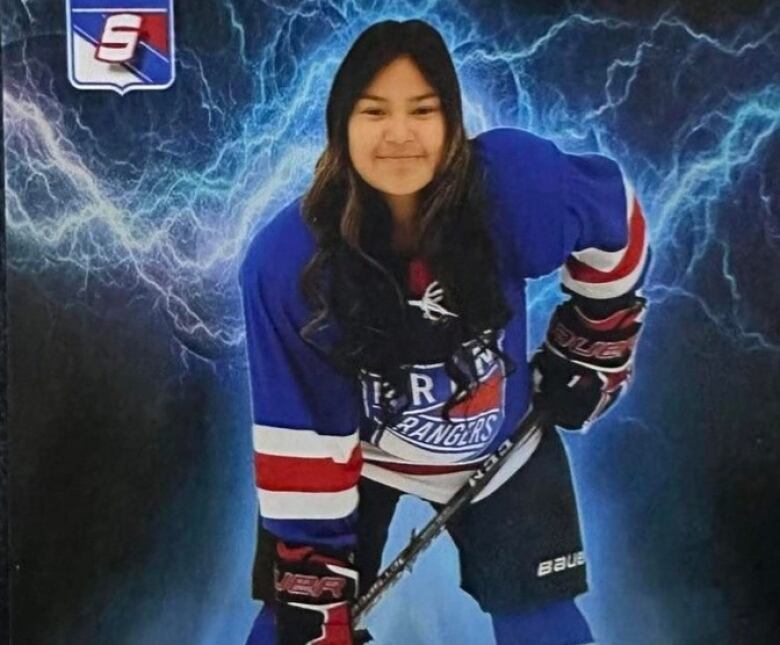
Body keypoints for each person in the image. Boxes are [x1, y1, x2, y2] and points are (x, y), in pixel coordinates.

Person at [239, 19, 649, 645]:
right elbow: (300, 430)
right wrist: (315, 587)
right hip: (364, 460)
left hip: (501, 448)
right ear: (340, 127)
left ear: (453, 124)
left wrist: (596, 337)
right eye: (374, 112)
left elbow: (614, 213)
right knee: (289, 631)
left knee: (546, 628)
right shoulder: (288, 263)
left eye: (422, 111)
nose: (399, 134)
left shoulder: (516, 187)